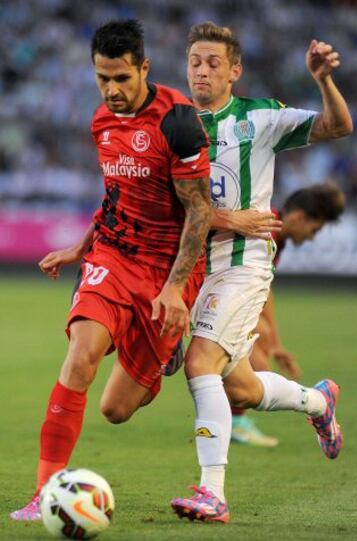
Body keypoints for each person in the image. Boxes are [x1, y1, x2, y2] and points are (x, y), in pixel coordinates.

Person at [10, 19, 216, 521]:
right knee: (80, 357)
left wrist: (171, 291)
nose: (112, 90)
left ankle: (156, 361)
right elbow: (115, 195)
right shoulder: (102, 121)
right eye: (103, 78)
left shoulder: (179, 122)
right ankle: (44, 493)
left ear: (143, 68)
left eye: (122, 78)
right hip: (114, 257)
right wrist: (80, 248)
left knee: (117, 409)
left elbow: (200, 213)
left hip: (169, 271)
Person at [170, 22, 352, 523]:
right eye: (195, 62)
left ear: (235, 70)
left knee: (199, 363)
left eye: (213, 63)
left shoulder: (259, 118)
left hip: (243, 264)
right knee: (240, 389)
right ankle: (319, 402)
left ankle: (213, 492)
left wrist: (322, 80)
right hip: (195, 271)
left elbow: (337, 127)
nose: (202, 71)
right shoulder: (175, 123)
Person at [231, 182, 346, 446]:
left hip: (223, 294)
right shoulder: (265, 229)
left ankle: (233, 420)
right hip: (206, 290)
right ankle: (315, 402)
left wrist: (277, 344)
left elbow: (264, 289)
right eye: (314, 230)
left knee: (259, 352)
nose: (311, 237)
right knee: (257, 369)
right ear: (298, 217)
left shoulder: (275, 238)